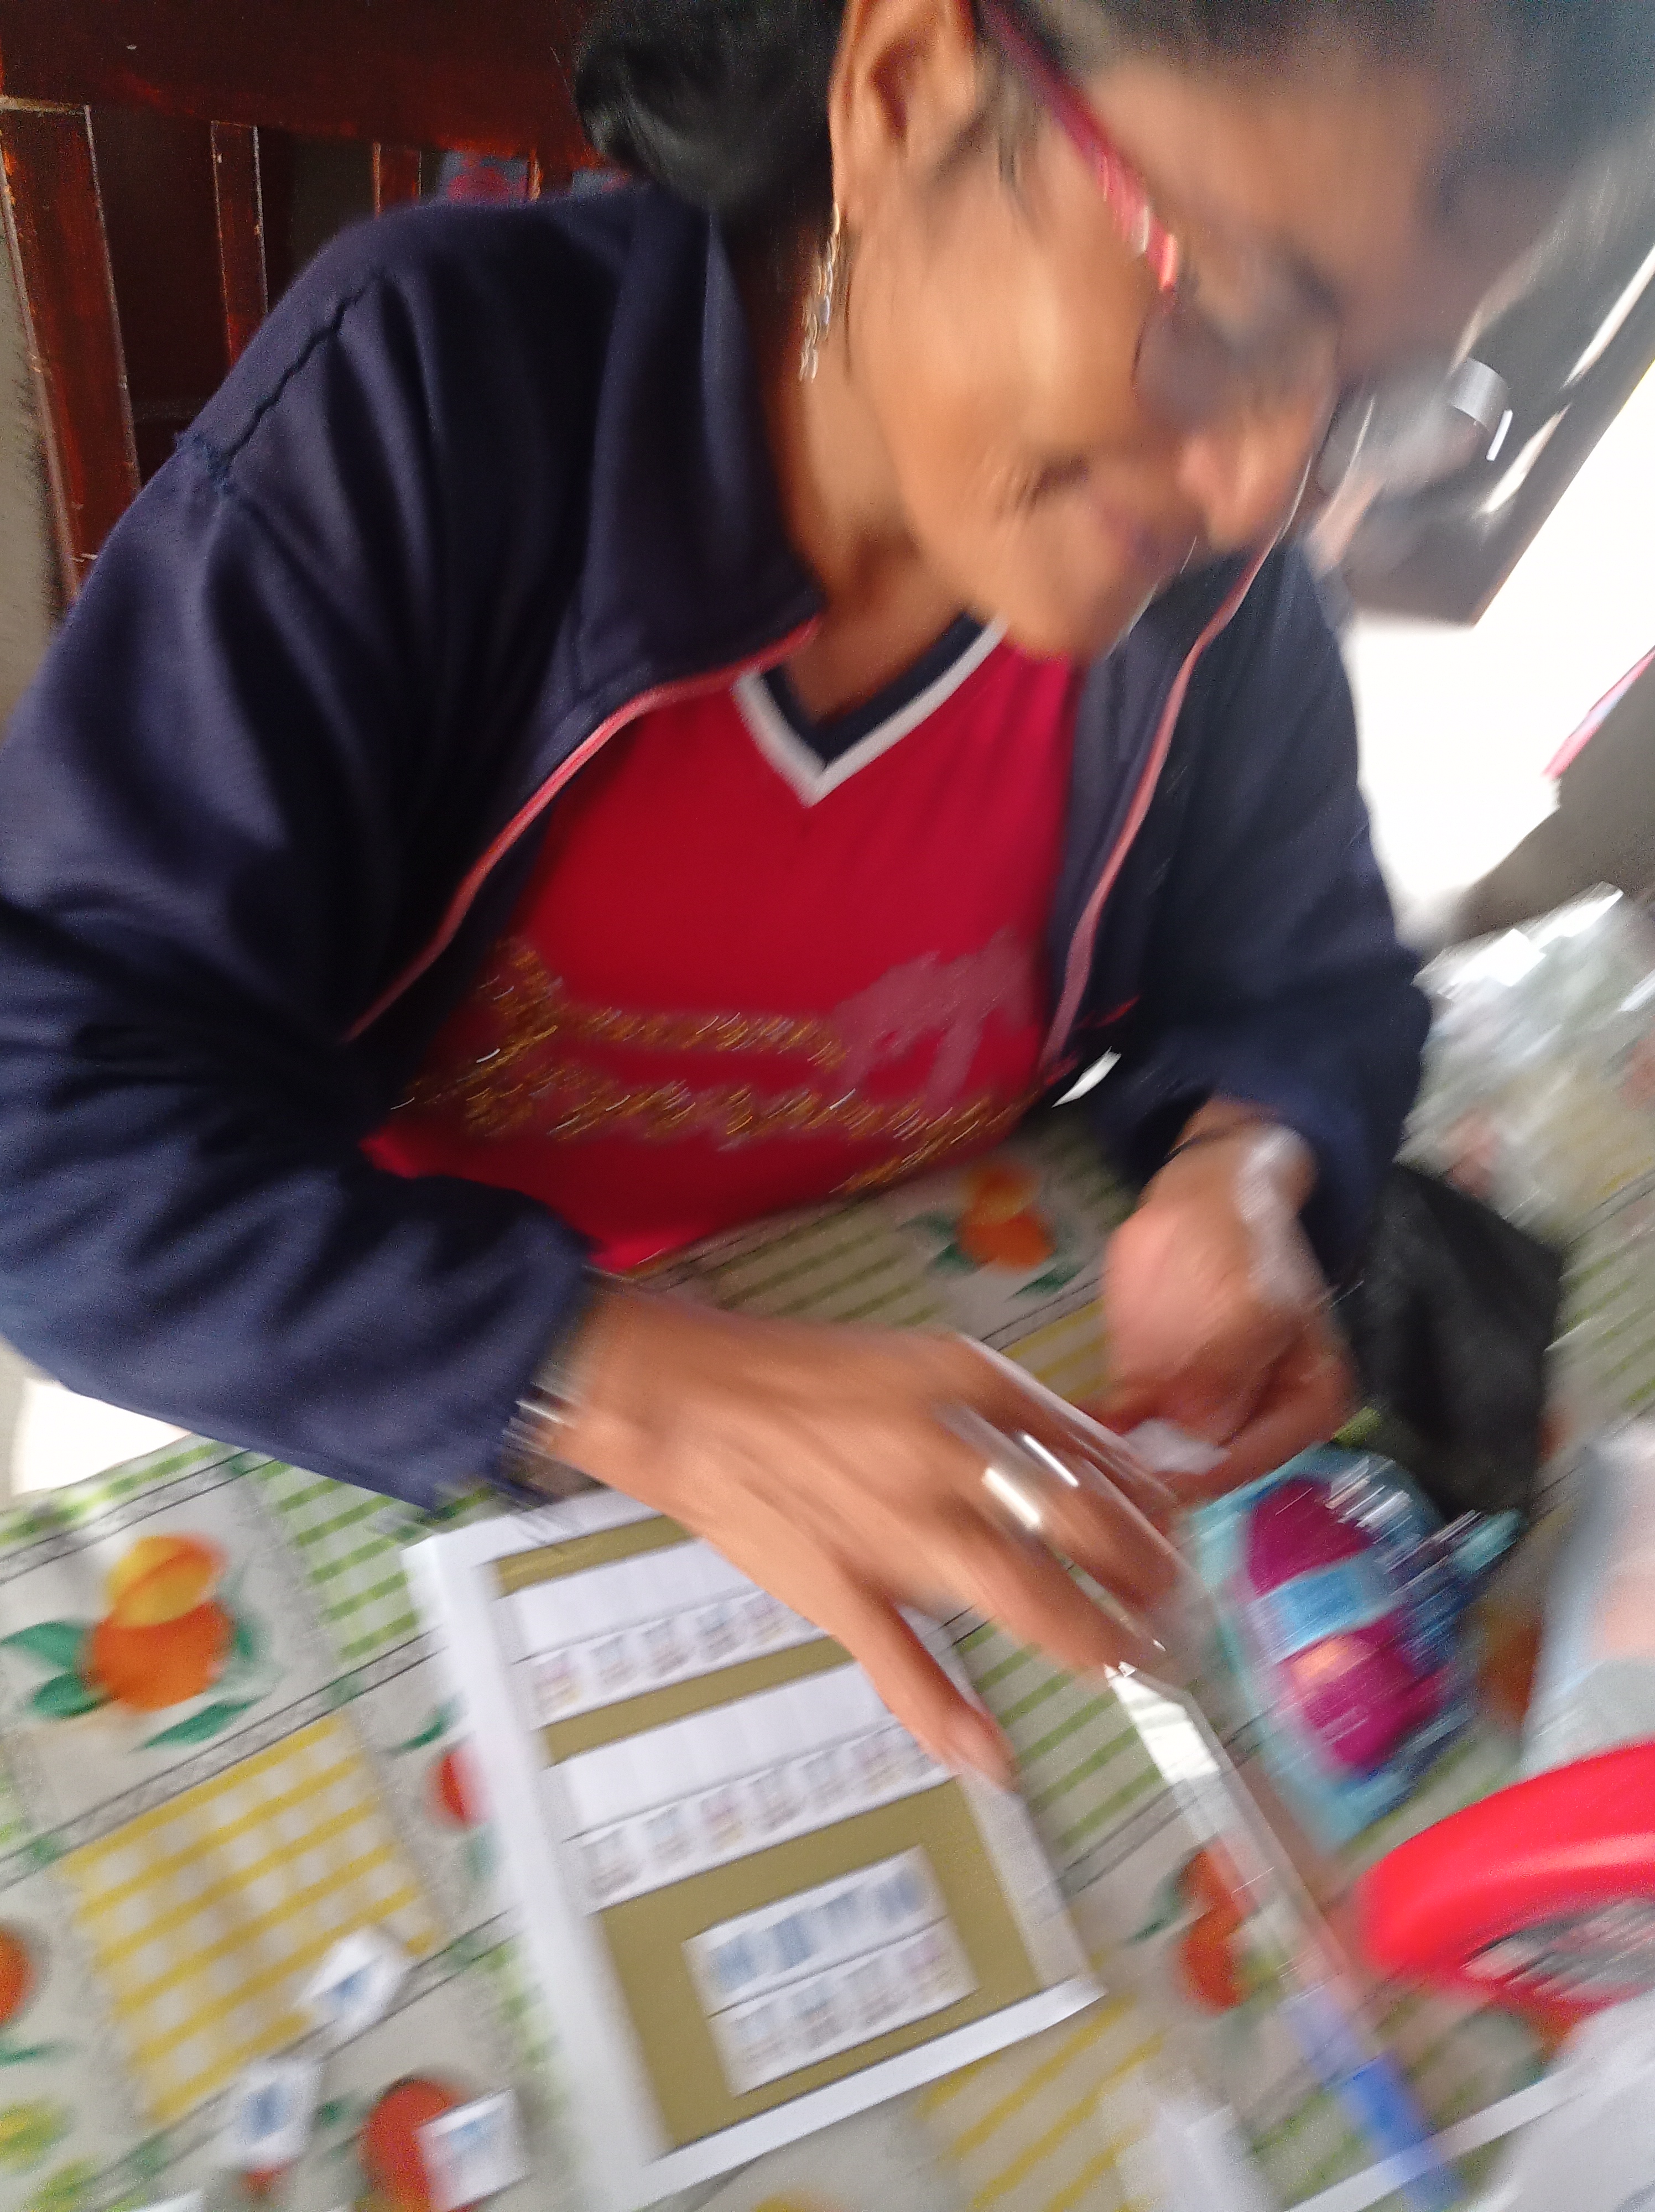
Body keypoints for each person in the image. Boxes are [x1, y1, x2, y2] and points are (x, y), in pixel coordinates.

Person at [0, 0, 1649, 1780]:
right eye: (1236, 321)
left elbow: (1311, 979)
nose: (1263, 491)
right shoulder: (441, 405)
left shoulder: (1214, 620)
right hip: (419, 1366)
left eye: (1373, 397)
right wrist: (607, 1377)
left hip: (919, 1353)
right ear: (905, 88)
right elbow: (53, 1119)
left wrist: (1247, 1165)